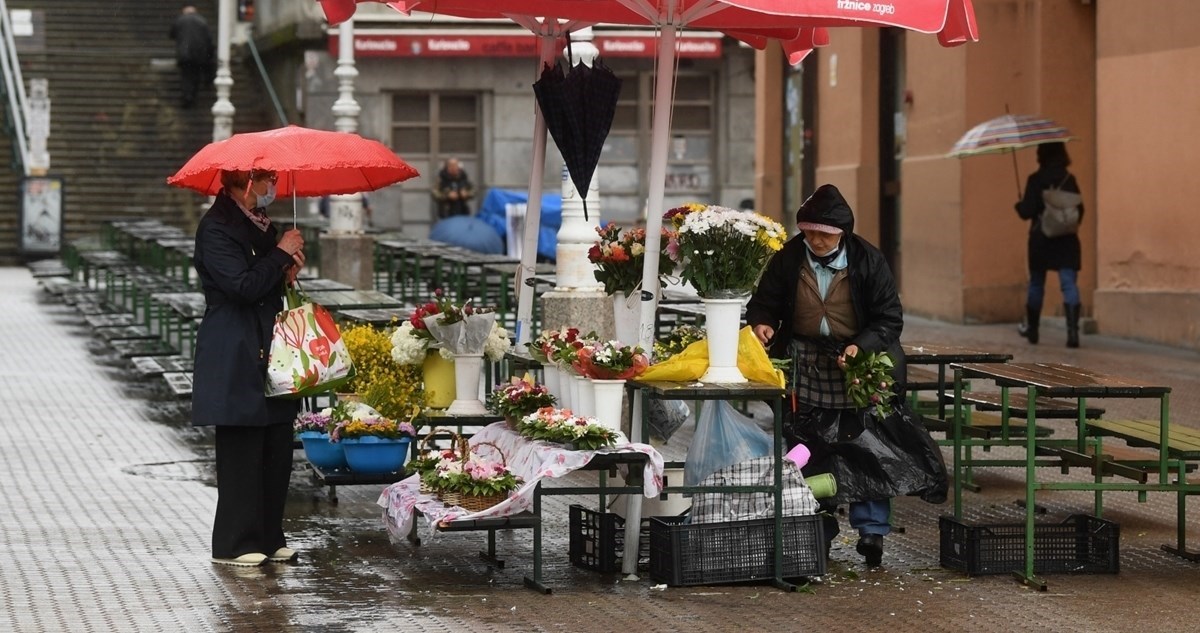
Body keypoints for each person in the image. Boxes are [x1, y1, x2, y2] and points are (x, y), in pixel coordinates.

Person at [746, 184, 909, 568]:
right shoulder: (788, 259)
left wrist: (861, 347)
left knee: (867, 445)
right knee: (808, 446)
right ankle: (818, 526)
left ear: (842, 234)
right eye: (810, 232)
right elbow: (763, 302)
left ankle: (872, 530)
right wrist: (763, 323)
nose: (816, 240)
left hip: (856, 366)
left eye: (825, 234)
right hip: (805, 362)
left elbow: (890, 318)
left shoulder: (868, 261)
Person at [191, 168, 306, 567]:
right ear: (246, 181)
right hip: (235, 345)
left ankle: (270, 535)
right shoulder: (217, 227)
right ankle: (234, 541)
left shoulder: (260, 224)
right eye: (267, 177)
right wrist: (278, 253)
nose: (273, 185)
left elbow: (264, 280)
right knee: (242, 444)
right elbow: (240, 286)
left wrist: (285, 270)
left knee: (276, 444)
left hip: (270, 344)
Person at [1015, 141, 1084, 348]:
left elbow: (1026, 211)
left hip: (1041, 240)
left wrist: (1019, 205)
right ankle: (1072, 333)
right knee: (1069, 284)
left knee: (1037, 283)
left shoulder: (1035, 180)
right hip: (1067, 240)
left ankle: (1033, 330)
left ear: (1041, 155)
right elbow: (1080, 210)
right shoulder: (1069, 179)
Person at [169, 4, 215, 108]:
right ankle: (193, 94)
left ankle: (187, 96)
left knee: (186, 75)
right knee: (196, 74)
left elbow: (172, 34)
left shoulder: (180, 20)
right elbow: (209, 39)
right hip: (199, 54)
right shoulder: (202, 21)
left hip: (184, 53)